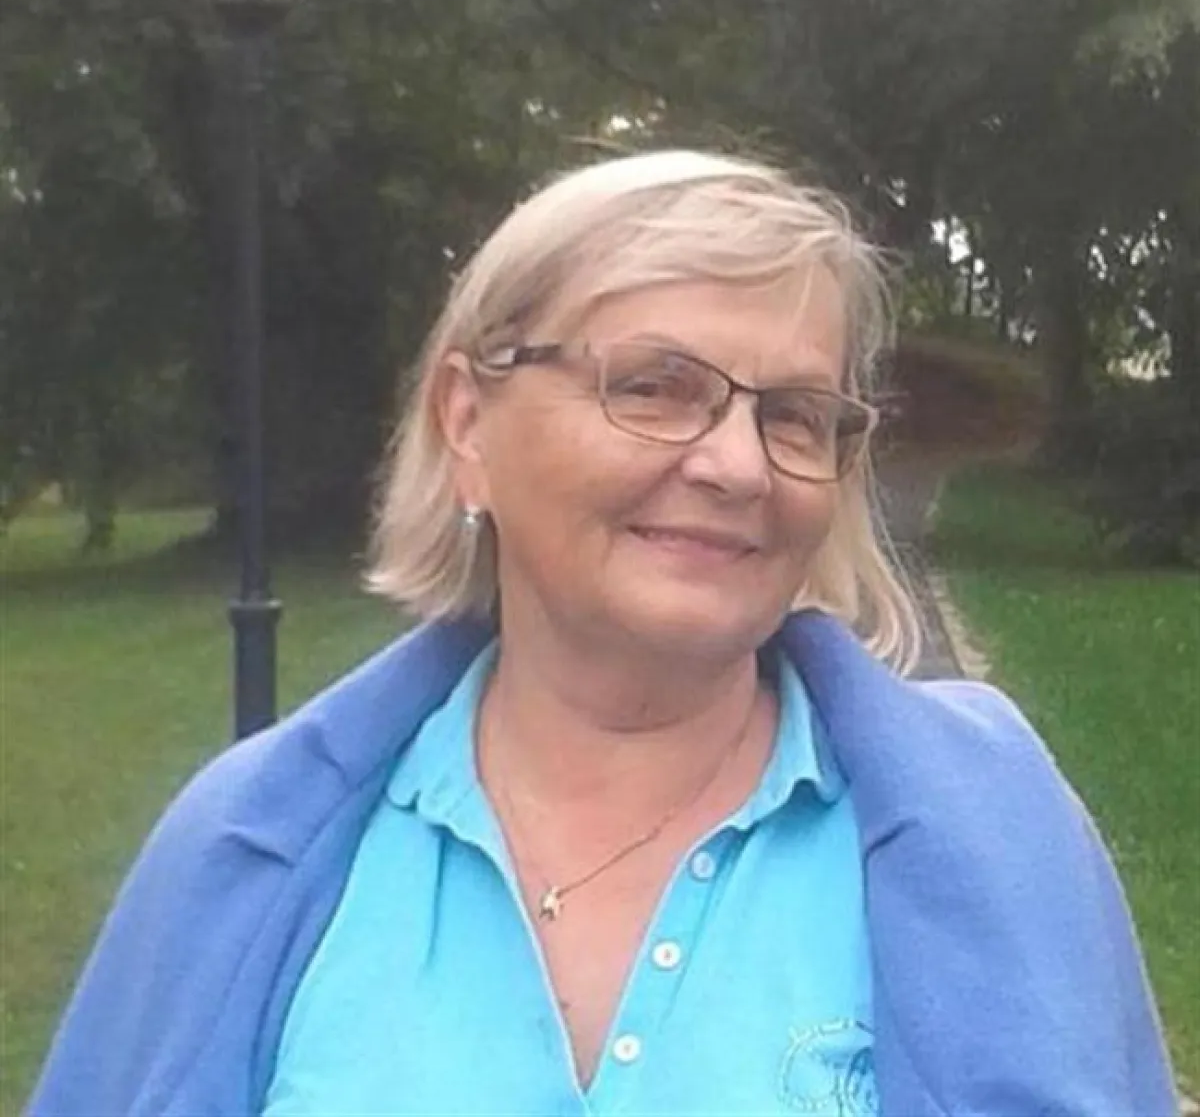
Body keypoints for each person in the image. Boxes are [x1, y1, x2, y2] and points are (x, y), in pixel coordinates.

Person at [30, 150, 1175, 1117]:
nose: (736, 465)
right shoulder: (240, 855)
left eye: (792, 416)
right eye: (656, 386)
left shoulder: (998, 825)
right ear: (467, 422)